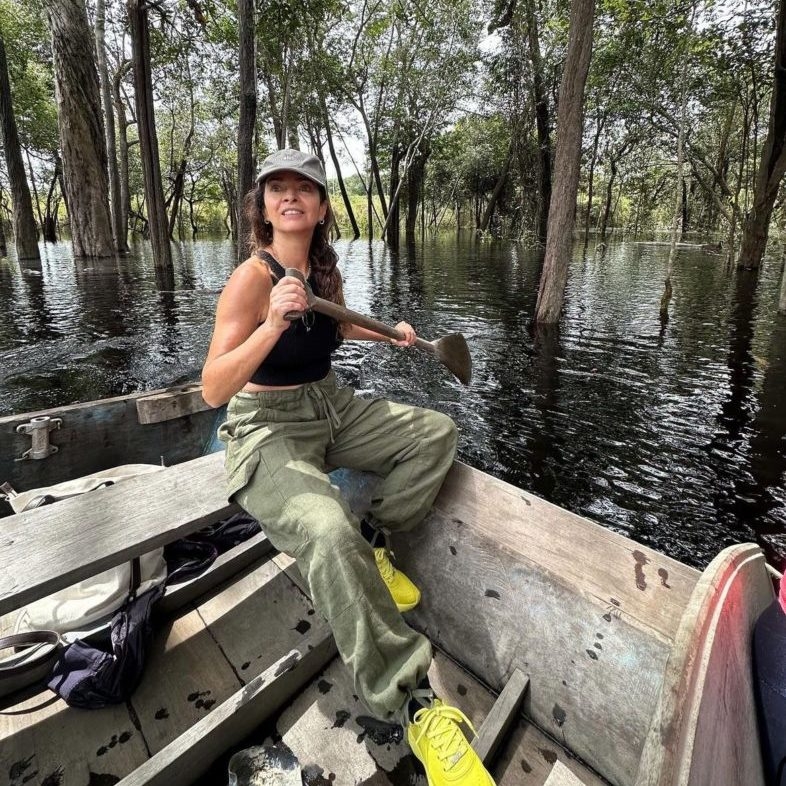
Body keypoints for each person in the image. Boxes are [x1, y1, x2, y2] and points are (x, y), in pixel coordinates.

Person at [202, 148, 495, 786]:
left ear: (321, 206)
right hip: (265, 428)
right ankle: (414, 702)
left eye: (302, 188)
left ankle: (376, 541)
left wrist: (386, 334)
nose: (289, 197)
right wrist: (271, 324)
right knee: (326, 531)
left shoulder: (323, 272)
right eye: (276, 188)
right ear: (263, 206)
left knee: (435, 435)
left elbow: (330, 331)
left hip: (330, 406)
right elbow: (213, 388)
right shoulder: (252, 279)